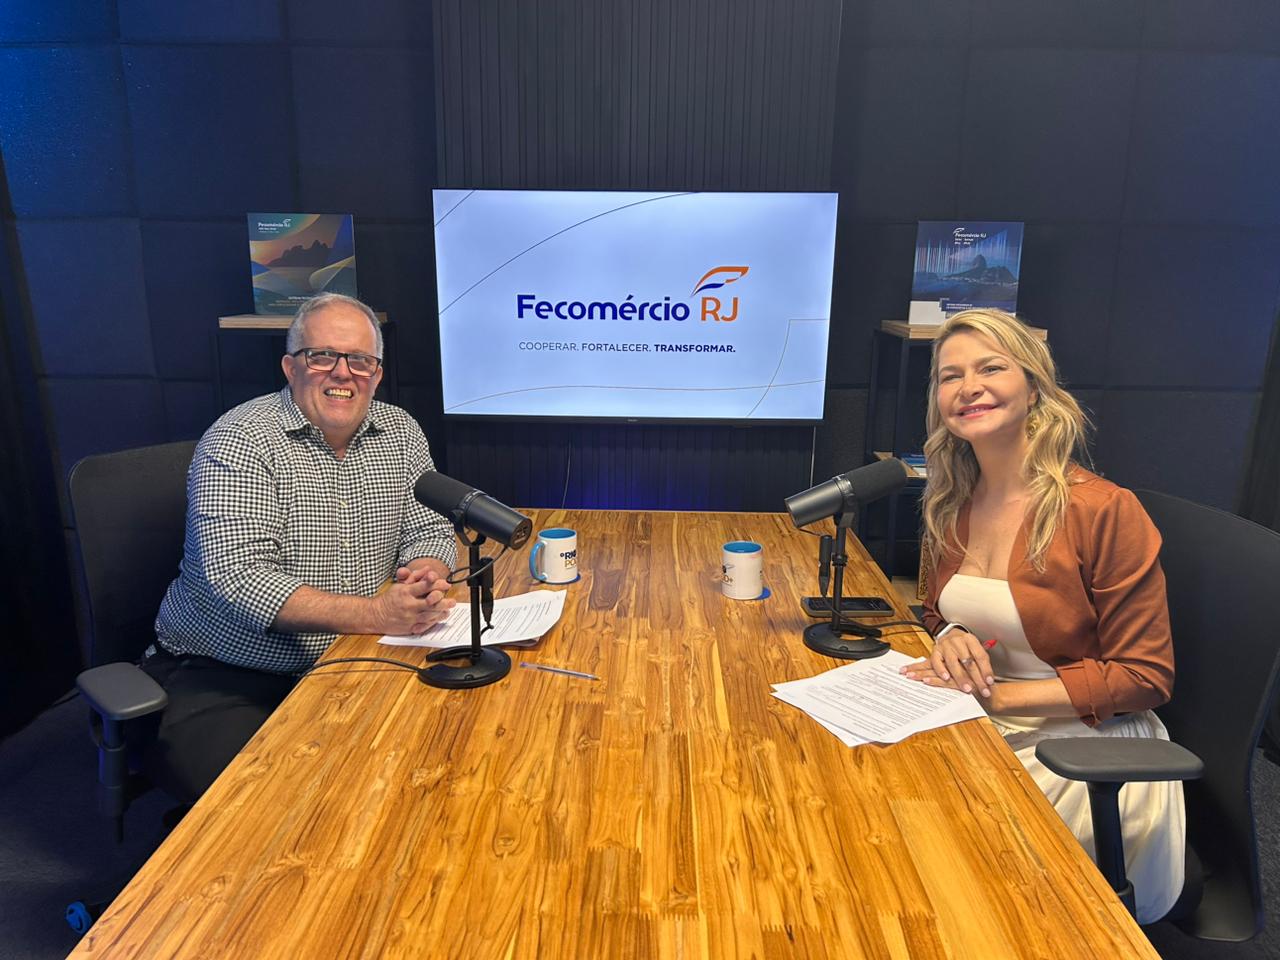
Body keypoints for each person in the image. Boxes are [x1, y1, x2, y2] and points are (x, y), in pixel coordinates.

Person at [899, 308, 1183, 923]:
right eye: (950, 376)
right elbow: (937, 610)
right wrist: (951, 634)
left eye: (990, 368)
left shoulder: (1102, 510)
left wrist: (998, 697)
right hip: (980, 720)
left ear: (1033, 389)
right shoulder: (951, 499)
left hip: (1084, 746)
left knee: (938, 866)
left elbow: (1145, 677)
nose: (968, 387)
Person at [142, 293, 458, 803]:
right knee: (273, 802)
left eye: (360, 360)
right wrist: (378, 613)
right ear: (291, 367)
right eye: (322, 356)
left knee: (429, 765)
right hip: (229, 672)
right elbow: (241, 578)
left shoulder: (400, 432)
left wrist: (425, 573)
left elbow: (430, 528)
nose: (343, 372)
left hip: (354, 655)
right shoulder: (239, 440)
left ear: (376, 374)